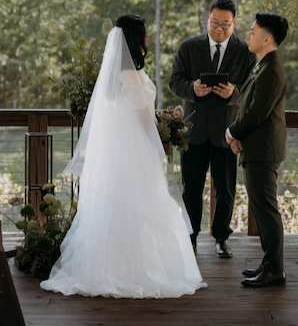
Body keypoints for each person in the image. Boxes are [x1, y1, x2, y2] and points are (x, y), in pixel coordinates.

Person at [40, 15, 207, 298]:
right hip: (135, 149)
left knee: (123, 208)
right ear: (134, 39)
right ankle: (136, 271)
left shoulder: (115, 75)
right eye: (144, 35)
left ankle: (112, 266)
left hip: (122, 151)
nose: (147, 39)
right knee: (141, 205)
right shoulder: (130, 75)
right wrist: (160, 141)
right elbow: (143, 118)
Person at [169, 0, 257, 257]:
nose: (220, 29)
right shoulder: (188, 47)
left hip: (227, 133)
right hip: (194, 131)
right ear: (208, 18)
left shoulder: (245, 51)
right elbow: (175, 80)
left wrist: (234, 93)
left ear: (235, 22)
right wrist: (192, 89)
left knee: (226, 188)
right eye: (215, 22)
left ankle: (221, 238)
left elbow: (251, 90)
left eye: (225, 24)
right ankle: (190, 237)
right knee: (191, 188)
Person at [226, 12, 288, 287]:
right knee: (262, 208)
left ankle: (275, 270)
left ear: (267, 38)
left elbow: (255, 114)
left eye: (252, 31)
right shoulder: (262, 65)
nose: (248, 36)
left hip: (263, 150)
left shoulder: (272, 70)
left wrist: (230, 132)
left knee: (266, 209)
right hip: (256, 148)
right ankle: (269, 263)